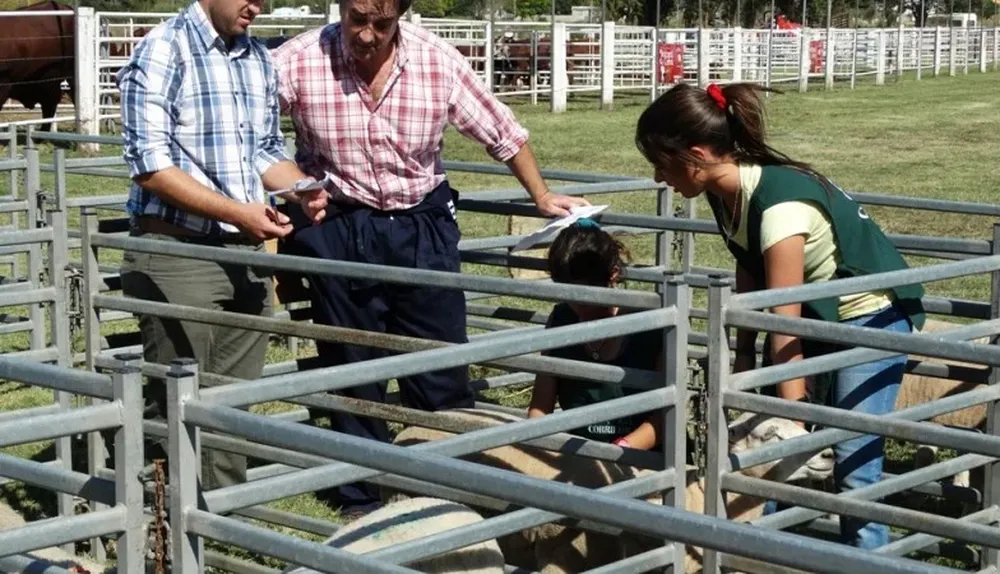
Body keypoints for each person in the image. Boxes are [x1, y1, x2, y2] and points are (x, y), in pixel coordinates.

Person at [269, 0, 590, 517]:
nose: (368, 34)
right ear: (342, 10)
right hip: (341, 219)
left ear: (401, 17)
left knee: (438, 357)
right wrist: (278, 192)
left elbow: (501, 131)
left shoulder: (436, 60)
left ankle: (444, 476)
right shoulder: (300, 58)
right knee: (352, 359)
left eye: (382, 23)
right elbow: (247, 126)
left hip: (421, 220)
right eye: (357, 19)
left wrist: (541, 195)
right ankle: (362, 492)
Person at [633, 82, 925, 549]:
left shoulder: (781, 208)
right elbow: (749, 266)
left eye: (661, 165)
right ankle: (766, 555)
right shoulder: (726, 190)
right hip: (815, 316)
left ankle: (871, 560)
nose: (656, 178)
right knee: (766, 456)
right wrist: (744, 360)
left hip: (869, 316)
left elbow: (784, 323)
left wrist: (787, 422)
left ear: (695, 155)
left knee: (852, 466)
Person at [116, 0, 324, 489]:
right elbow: (148, 164)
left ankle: (216, 525)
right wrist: (237, 212)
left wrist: (299, 188)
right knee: (175, 400)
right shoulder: (163, 49)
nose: (261, 5)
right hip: (179, 253)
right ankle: (164, 536)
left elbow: (266, 149)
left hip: (245, 253)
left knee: (231, 400)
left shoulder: (256, 59)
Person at [526, 219, 669, 451]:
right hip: (578, 457)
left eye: (585, 292)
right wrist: (536, 444)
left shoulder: (650, 326)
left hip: (640, 462)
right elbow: (541, 407)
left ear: (612, 275)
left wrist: (617, 452)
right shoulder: (562, 319)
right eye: (567, 291)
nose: (576, 303)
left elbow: (664, 419)